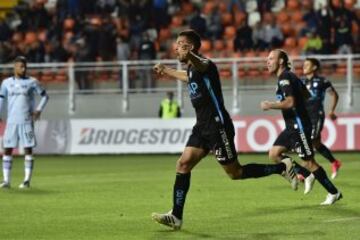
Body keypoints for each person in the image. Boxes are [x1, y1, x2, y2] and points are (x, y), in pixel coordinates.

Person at [151, 30, 297, 230]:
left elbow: (202, 65)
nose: (176, 47)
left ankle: (282, 167)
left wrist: (190, 56)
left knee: (235, 173)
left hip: (217, 126)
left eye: (180, 44)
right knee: (183, 164)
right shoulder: (193, 70)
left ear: (191, 47)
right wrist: (167, 70)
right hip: (201, 127)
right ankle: (176, 215)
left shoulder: (205, 65)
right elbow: (188, 76)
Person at [260, 49, 342, 203]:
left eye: (271, 58)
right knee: (274, 154)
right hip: (292, 126)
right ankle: (307, 174)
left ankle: (334, 192)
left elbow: (290, 102)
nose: (268, 61)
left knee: (310, 162)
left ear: (281, 61)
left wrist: (270, 105)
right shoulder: (291, 76)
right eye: (267, 59)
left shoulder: (285, 77)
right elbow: (306, 95)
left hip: (300, 126)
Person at [0, 56, 49, 189]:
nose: (23, 69)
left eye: (25, 66)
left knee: (28, 149)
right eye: (21, 66)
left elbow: (45, 96)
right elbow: (1, 99)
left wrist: (39, 109)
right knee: (7, 149)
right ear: (14, 67)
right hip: (11, 122)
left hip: (26, 121)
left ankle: (27, 180)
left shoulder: (32, 82)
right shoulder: (6, 83)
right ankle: (6, 181)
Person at [302, 58, 341, 179]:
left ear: (314, 67)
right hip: (305, 116)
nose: (304, 66)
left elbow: (334, 94)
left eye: (307, 65)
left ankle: (307, 171)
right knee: (316, 143)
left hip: (316, 115)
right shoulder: (301, 82)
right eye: (304, 65)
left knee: (310, 140)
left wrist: (331, 110)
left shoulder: (322, 81)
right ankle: (335, 162)